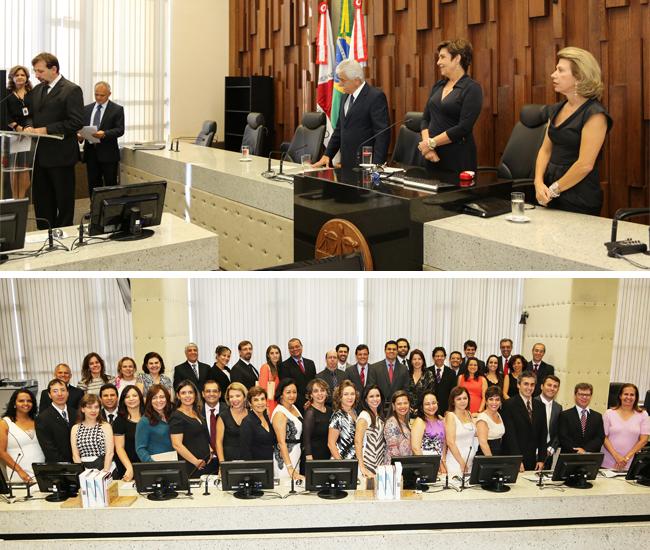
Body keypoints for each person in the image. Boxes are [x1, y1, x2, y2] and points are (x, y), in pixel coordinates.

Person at [534, 47, 612, 215]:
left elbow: (585, 165)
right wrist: (538, 182)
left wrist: (554, 189)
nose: (553, 75)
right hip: (548, 192)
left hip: (578, 197)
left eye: (560, 70)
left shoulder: (595, 114)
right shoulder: (556, 109)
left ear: (580, 76)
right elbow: (545, 150)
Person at [23, 52, 84, 229]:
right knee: (42, 199)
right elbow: (29, 115)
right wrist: (29, 126)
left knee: (63, 199)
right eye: (35, 71)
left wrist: (46, 129)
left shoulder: (71, 90)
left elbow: (76, 122)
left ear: (54, 69)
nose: (36, 75)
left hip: (61, 155)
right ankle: (44, 231)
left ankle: (63, 232)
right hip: (39, 155)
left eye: (40, 71)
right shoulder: (37, 90)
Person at [418, 39, 483, 175]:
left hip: (457, 159)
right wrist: (428, 148)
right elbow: (425, 119)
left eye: (442, 57)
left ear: (457, 59)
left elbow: (464, 127)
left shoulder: (472, 88)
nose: (438, 62)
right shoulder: (438, 86)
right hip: (432, 156)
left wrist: (431, 143)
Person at [312, 58, 390, 169]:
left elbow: (382, 134)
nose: (339, 84)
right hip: (346, 163)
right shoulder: (344, 97)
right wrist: (327, 155)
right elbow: (339, 130)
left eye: (342, 80)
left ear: (356, 80)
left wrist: (377, 166)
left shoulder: (375, 97)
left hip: (366, 164)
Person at [79, 81, 124, 194]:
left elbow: (120, 130)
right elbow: (82, 128)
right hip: (91, 153)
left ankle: (110, 206)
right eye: (96, 94)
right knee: (93, 184)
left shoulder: (117, 109)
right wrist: (81, 136)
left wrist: (105, 134)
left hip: (108, 153)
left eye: (102, 95)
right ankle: (94, 206)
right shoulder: (86, 109)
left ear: (109, 94)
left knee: (110, 184)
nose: (98, 97)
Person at [501, 371, 547, 471]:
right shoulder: (509, 405)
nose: (529, 388)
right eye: (526, 384)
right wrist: (517, 459)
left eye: (532, 384)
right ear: (518, 385)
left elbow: (543, 434)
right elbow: (510, 435)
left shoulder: (540, 406)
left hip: (532, 460)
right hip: (513, 459)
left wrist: (541, 459)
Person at [170, 380, 217, 478]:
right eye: (183, 393)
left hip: (205, 463)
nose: (187, 396)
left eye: (190, 392)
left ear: (195, 394)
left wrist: (209, 450)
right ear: (178, 396)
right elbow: (177, 445)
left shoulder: (197, 412)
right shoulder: (176, 416)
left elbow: (202, 435)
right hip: (192, 466)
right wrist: (195, 462)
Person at [601, 384, 650, 470]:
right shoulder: (609, 413)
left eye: (632, 395)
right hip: (608, 462)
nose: (629, 397)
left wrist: (626, 458)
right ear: (620, 396)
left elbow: (644, 440)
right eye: (626, 394)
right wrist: (617, 456)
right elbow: (604, 437)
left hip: (631, 463)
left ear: (636, 397)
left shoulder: (643, 414)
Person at [0, 389, 44, 483]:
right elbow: (1, 452)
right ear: (14, 403)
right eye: (21, 401)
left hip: (41, 472)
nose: (26, 403)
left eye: (29, 401)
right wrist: (20, 471)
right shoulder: (5, 423)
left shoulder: (37, 420)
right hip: (20, 474)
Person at [5, 65, 33, 198]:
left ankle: (21, 198)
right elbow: (4, 114)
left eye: (23, 75)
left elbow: (35, 114)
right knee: (14, 170)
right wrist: (17, 127)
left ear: (27, 77)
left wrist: (27, 128)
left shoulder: (32, 93)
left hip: (29, 134)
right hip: (13, 135)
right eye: (17, 75)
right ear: (12, 77)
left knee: (25, 169)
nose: (20, 77)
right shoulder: (6, 94)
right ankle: (15, 199)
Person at [35, 379, 77, 462]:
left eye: (63, 390)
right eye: (55, 391)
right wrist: (66, 465)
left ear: (68, 393)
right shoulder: (43, 418)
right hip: (58, 466)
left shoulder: (76, 413)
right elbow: (49, 449)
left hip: (79, 462)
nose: (60, 394)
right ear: (49, 395)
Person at [70, 394, 114, 471]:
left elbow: (110, 453)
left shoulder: (106, 426)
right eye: (89, 407)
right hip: (84, 470)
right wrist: (83, 473)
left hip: (105, 468)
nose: (93, 410)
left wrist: (104, 473)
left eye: (96, 407)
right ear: (82, 409)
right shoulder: (75, 428)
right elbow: (75, 455)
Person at [558, 382, 605, 454]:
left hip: (590, 457)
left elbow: (600, 438)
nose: (584, 397)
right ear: (575, 395)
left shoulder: (597, 416)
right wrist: (577, 450)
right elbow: (563, 437)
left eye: (587, 395)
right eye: (581, 394)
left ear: (591, 396)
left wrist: (585, 450)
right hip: (570, 456)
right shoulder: (565, 415)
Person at [271, 379, 304, 480]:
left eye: (294, 392)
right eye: (288, 392)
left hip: (296, 454)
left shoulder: (293, 407)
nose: (292, 395)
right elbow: (281, 443)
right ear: (281, 394)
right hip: (285, 459)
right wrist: (289, 467)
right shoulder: (280, 413)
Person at [112, 385, 144, 481]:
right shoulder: (119, 421)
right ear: (123, 400)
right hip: (128, 466)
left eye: (134, 395)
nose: (131, 399)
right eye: (127, 396)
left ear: (140, 398)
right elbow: (119, 448)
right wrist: (129, 468)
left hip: (148, 463)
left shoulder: (149, 417)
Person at [367, 340, 410, 413]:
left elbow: (406, 389)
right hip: (379, 407)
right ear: (385, 350)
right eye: (389, 349)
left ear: (397, 351)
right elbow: (372, 388)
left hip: (398, 408)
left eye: (394, 349)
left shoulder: (404, 369)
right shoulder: (374, 368)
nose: (391, 351)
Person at [354, 385, 387, 479]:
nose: (375, 399)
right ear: (365, 399)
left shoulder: (379, 415)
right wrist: (362, 467)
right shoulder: (364, 416)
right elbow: (357, 442)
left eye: (377, 395)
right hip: (366, 465)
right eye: (371, 396)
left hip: (378, 464)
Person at [135, 384, 174, 461]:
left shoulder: (173, 416)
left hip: (176, 462)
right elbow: (140, 449)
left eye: (162, 397)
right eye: (154, 398)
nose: (158, 400)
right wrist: (153, 464)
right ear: (149, 401)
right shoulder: (144, 421)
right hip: (156, 464)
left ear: (167, 398)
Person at [410, 391, 446, 473]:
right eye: (427, 404)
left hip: (440, 465)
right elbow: (415, 448)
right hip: (426, 465)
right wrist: (426, 467)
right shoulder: (419, 421)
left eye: (434, 403)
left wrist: (443, 462)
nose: (431, 406)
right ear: (421, 406)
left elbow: (443, 443)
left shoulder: (440, 420)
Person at [444, 387, 477, 476]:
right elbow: (450, 442)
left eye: (465, 398)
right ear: (453, 401)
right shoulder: (450, 416)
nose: (462, 401)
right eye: (459, 399)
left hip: (470, 462)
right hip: (456, 463)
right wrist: (461, 462)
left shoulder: (469, 413)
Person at [279, 338, 316, 412]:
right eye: (292, 348)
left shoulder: (310, 363)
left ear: (301, 347)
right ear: (289, 350)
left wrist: (311, 400)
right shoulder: (283, 366)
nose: (295, 349)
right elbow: (288, 388)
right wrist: (304, 403)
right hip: (295, 405)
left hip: (313, 403)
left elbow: (314, 383)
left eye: (297, 346)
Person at [215, 382, 248, 462]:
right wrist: (222, 463)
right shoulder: (223, 416)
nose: (234, 399)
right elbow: (218, 442)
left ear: (244, 397)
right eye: (231, 397)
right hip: (229, 461)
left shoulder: (252, 414)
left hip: (249, 460)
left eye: (238, 396)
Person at [240, 387, 276, 461]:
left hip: (270, 462)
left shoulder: (266, 417)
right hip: (256, 465)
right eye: (256, 400)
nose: (260, 403)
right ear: (250, 403)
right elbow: (245, 451)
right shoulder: (247, 422)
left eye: (262, 399)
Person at [535, 374, 562, 468]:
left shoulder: (558, 408)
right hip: (531, 452)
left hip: (548, 453)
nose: (552, 388)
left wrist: (552, 448)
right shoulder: (532, 403)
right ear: (542, 386)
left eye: (555, 386)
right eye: (549, 385)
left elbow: (559, 431)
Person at [302, 379, 332, 460]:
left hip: (328, 455)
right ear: (311, 395)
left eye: (322, 390)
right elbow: (306, 439)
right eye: (315, 391)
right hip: (313, 457)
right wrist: (309, 458)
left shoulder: (330, 410)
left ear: (326, 393)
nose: (320, 394)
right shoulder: (310, 413)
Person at [328, 380, 358, 460]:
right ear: (340, 397)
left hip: (354, 461)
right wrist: (341, 463)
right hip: (341, 462)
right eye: (346, 394)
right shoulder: (337, 416)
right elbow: (331, 444)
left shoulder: (354, 412)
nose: (350, 397)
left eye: (352, 394)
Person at [476, 386, 505, 456]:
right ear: (486, 401)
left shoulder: (499, 414)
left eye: (497, 399)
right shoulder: (483, 418)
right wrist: (491, 460)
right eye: (491, 399)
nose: (494, 402)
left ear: (500, 402)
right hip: (486, 457)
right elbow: (483, 443)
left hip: (498, 455)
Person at [384, 390, 412, 460]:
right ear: (393, 406)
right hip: (396, 464)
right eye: (399, 404)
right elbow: (393, 451)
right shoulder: (391, 423)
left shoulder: (406, 421)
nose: (403, 406)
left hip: (406, 463)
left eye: (405, 403)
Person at [431, 347, 456, 413]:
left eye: (442, 356)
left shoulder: (451, 372)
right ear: (433, 357)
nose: (439, 358)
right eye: (437, 356)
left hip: (446, 408)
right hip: (430, 407)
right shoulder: (427, 371)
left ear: (445, 357)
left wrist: (451, 409)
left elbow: (453, 393)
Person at [201, 379, 221, 462]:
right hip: (204, 460)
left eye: (215, 391)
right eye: (208, 391)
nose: (211, 394)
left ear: (219, 394)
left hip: (225, 458)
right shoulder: (196, 412)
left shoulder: (228, 411)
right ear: (203, 394)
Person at [258, 344, 282, 415]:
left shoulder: (280, 368)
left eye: (277, 353)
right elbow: (262, 388)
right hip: (269, 403)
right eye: (272, 353)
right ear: (268, 355)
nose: (275, 355)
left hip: (278, 402)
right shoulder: (265, 367)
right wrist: (266, 406)